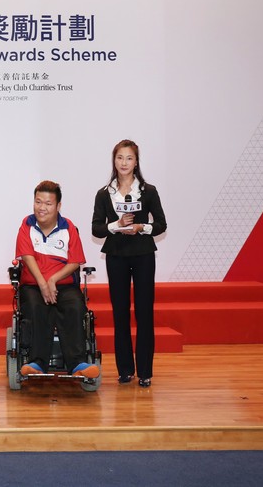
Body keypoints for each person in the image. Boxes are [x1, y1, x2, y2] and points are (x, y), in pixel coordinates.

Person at [91, 139, 167, 387]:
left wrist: (141, 227)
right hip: (116, 256)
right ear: (114, 161)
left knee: (144, 313)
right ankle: (125, 370)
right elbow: (97, 229)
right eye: (120, 158)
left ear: (136, 162)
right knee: (120, 313)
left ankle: (145, 371)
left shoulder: (149, 191)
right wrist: (117, 225)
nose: (124, 163)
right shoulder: (104, 193)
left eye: (129, 158)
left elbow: (161, 225)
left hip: (143, 254)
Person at [15, 181, 97, 379]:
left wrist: (53, 280)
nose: (42, 208)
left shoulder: (68, 227)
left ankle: (77, 363)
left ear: (58, 206)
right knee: (36, 307)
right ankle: (37, 362)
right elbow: (27, 257)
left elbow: (76, 261)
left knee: (75, 306)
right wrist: (43, 283)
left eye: (48, 203)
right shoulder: (27, 224)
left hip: (64, 285)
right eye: (38, 202)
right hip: (34, 285)